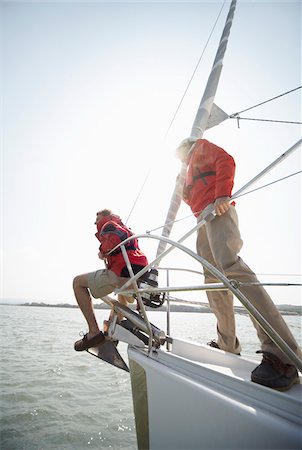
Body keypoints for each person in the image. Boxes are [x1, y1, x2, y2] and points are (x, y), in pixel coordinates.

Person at [176, 137, 301, 391]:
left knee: (232, 269)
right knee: (213, 281)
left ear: (184, 147)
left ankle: (281, 355)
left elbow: (225, 160)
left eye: (178, 155)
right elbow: (191, 196)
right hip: (202, 218)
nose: (178, 159)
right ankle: (227, 345)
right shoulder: (186, 168)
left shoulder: (199, 147)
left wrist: (222, 194)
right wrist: (183, 189)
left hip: (217, 208)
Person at [73, 209, 148, 351]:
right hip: (137, 274)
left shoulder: (109, 226)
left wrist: (102, 251)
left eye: (97, 219)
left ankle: (93, 333)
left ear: (105, 217)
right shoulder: (126, 229)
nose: (95, 223)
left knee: (77, 282)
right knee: (120, 296)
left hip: (121, 274)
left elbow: (111, 242)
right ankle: (115, 325)